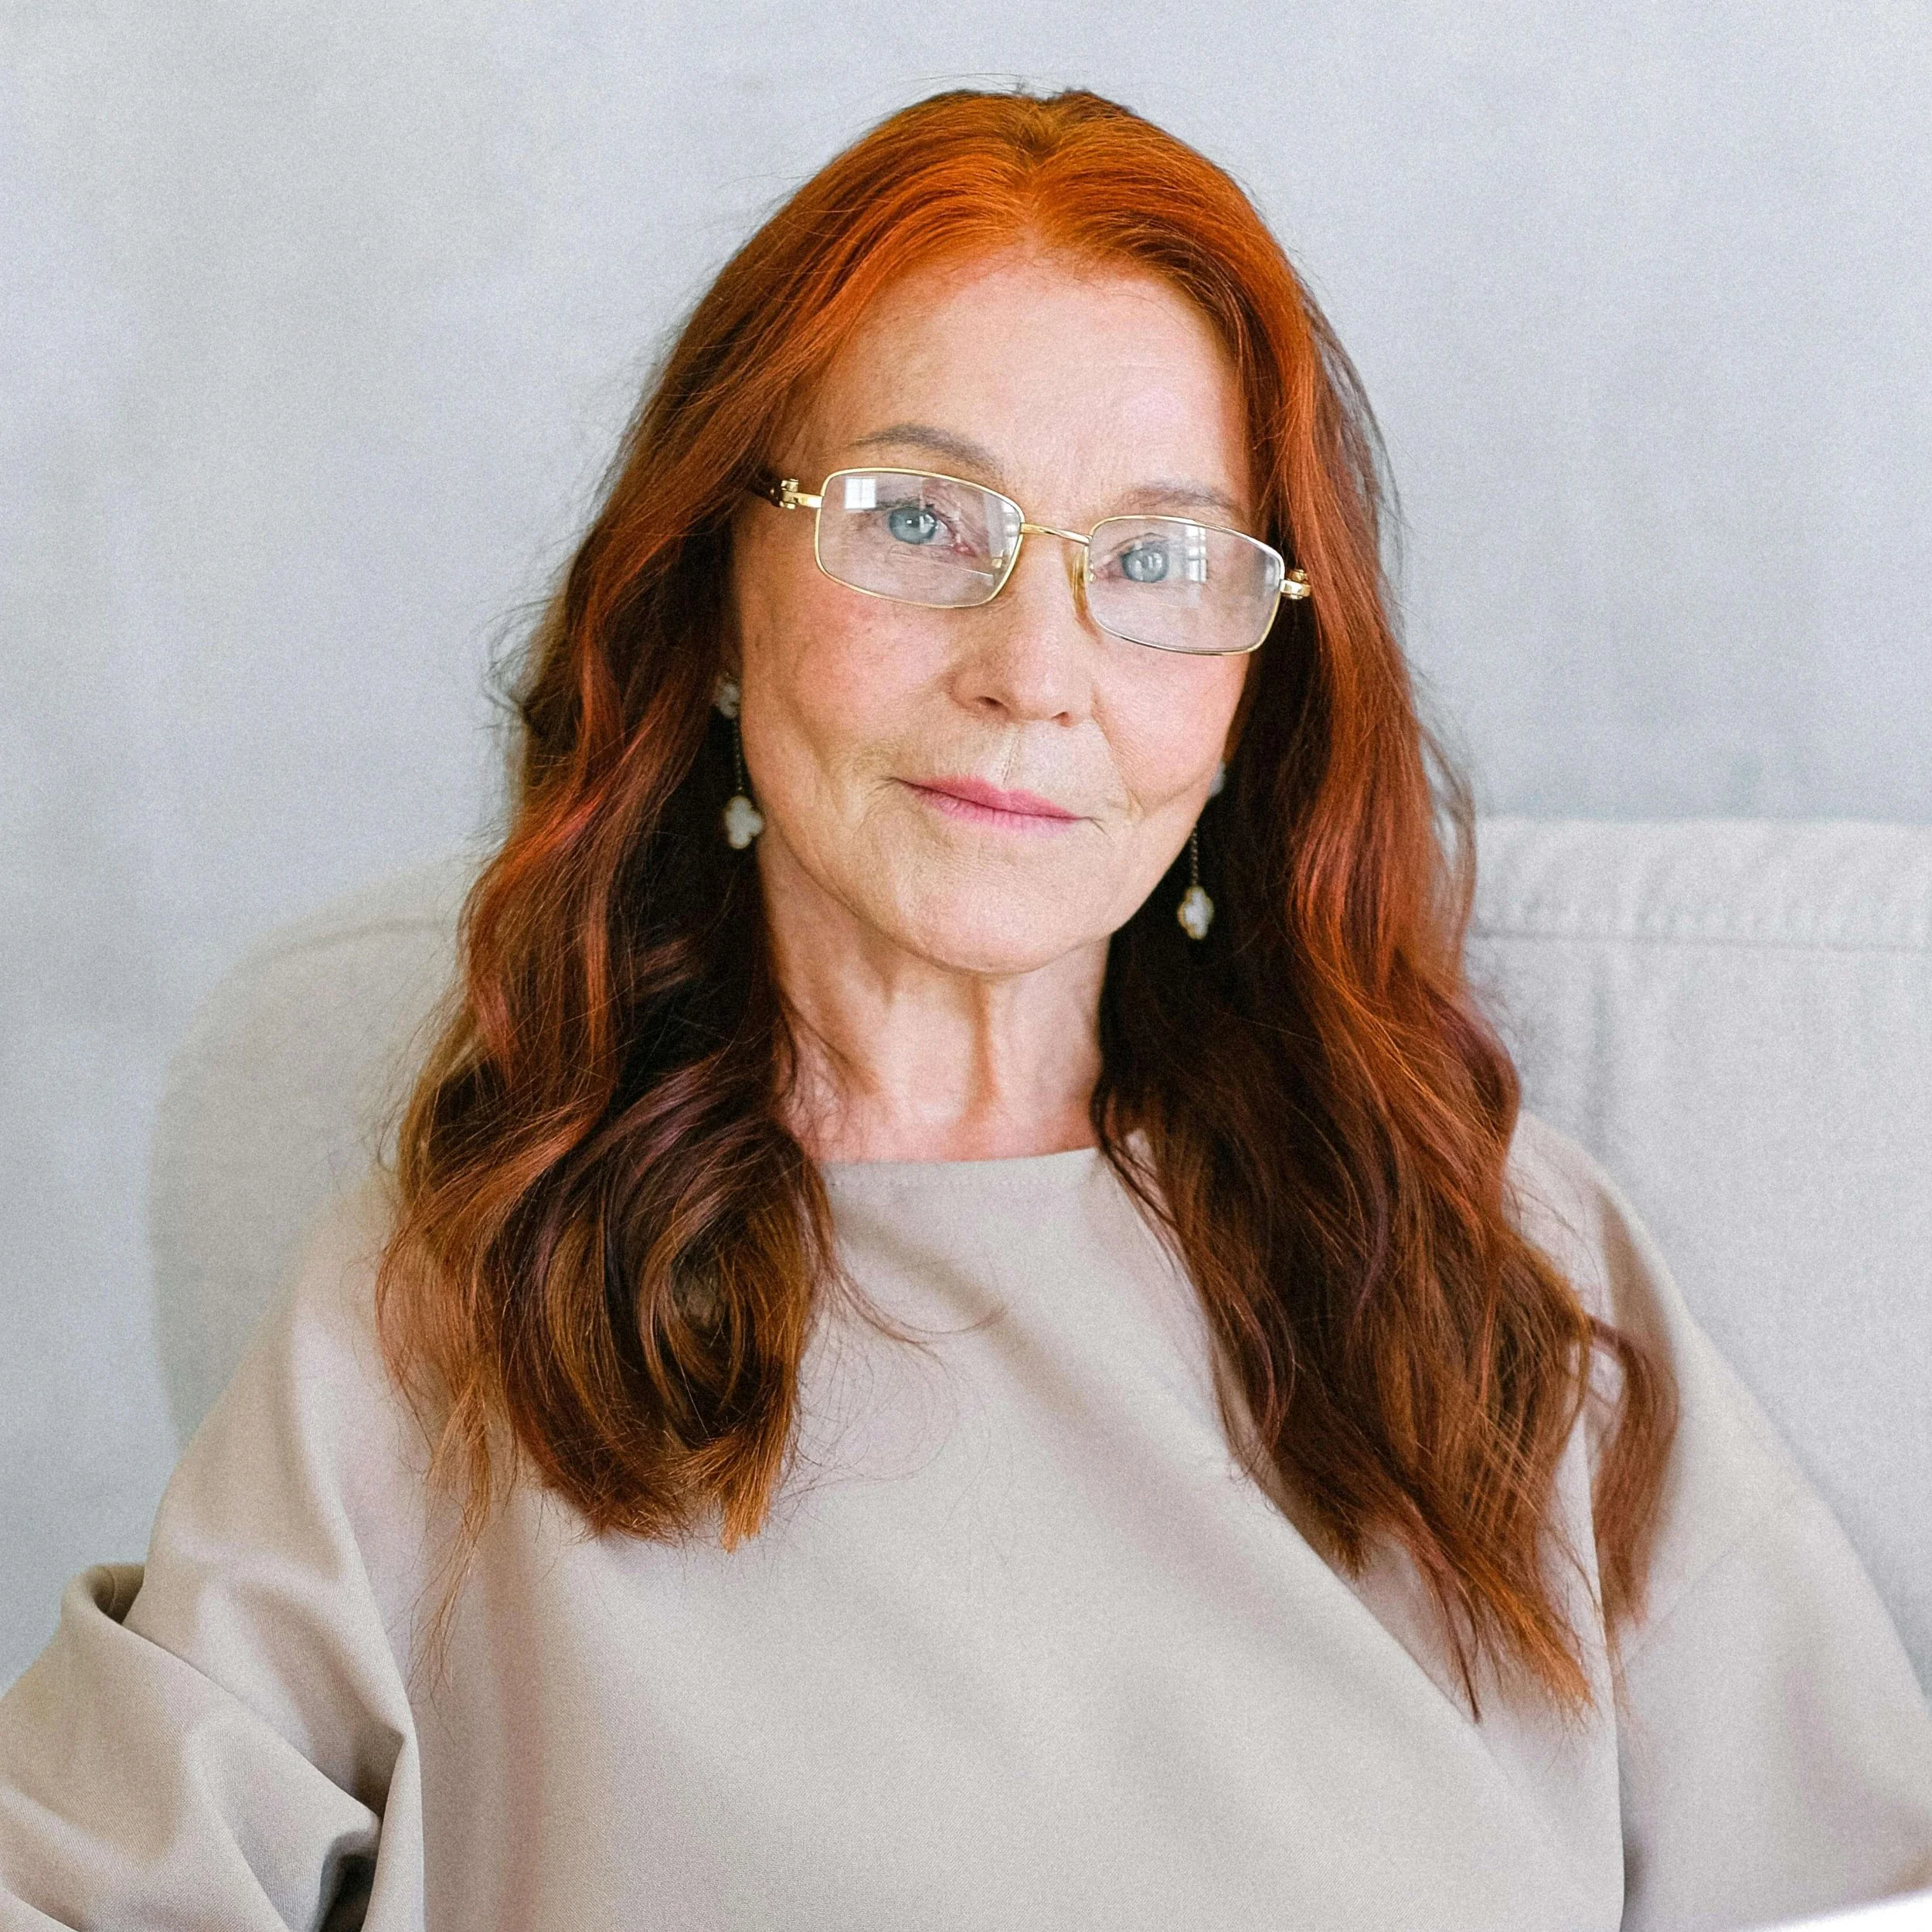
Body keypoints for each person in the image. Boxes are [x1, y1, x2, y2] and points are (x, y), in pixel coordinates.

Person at [2, 85, 1929, 1932]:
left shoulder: (1492, 1270)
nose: (1037, 666)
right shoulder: (451, 1301)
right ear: (710, 590)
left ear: (1257, 684)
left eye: (1160, 561)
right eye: (920, 519)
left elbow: (1853, 1886)